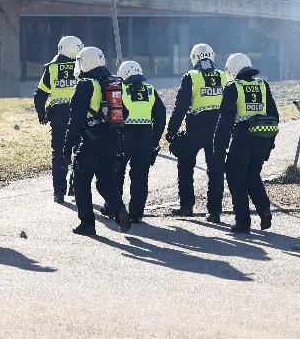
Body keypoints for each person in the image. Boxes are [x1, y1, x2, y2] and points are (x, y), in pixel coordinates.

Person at [64, 46, 129, 235]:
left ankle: (87, 224)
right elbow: (124, 112)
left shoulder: (86, 84)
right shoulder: (113, 82)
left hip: (90, 142)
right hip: (111, 140)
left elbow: (75, 119)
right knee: (105, 180)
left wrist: (67, 148)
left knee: (81, 182)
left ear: (86, 62)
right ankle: (119, 211)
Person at [214, 53, 279, 233]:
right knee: (253, 175)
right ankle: (264, 210)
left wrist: (218, 147)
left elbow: (225, 121)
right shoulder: (263, 85)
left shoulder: (233, 87)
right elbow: (275, 115)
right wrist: (269, 143)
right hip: (262, 137)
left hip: (243, 137)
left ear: (233, 69)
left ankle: (242, 221)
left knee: (235, 177)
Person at [165, 44, 227, 222]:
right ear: (212, 57)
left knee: (185, 165)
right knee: (215, 171)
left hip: (196, 129)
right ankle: (214, 213)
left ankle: (186, 206)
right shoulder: (224, 76)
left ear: (194, 58)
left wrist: (171, 131)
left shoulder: (191, 76)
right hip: (219, 129)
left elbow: (180, 107)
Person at [114, 60, 167, 223]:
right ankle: (136, 213)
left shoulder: (118, 90)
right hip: (145, 136)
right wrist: (154, 139)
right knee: (140, 177)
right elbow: (161, 115)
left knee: (117, 173)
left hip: (124, 136)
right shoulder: (150, 90)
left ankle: (115, 208)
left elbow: (114, 116)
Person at [34, 35, 84, 204]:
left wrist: (42, 115)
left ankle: (59, 192)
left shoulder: (52, 68)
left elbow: (40, 94)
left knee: (59, 153)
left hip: (59, 115)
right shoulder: (83, 65)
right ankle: (76, 187)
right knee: (80, 150)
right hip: (79, 114)